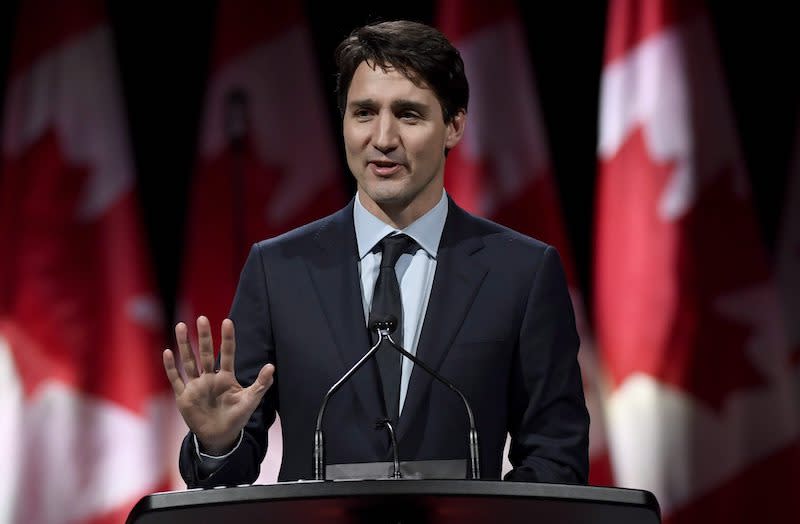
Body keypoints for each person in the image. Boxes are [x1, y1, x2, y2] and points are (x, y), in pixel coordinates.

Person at [163, 19, 589, 487]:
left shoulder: (522, 272)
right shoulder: (277, 269)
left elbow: (556, 458)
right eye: (364, 112)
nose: (383, 139)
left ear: (454, 126)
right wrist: (218, 443)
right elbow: (230, 466)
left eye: (408, 115)